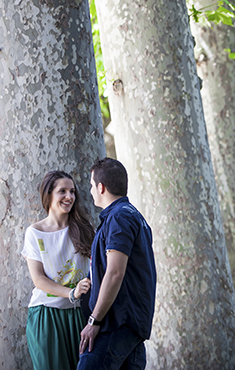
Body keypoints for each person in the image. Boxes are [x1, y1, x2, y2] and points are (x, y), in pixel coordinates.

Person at [78, 157, 157, 370]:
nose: (91, 190)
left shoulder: (119, 217)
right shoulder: (132, 215)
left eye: (92, 185)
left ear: (101, 187)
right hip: (128, 325)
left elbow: (115, 272)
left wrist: (94, 321)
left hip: (115, 324)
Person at [22, 170, 94, 370]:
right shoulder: (35, 233)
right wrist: (71, 293)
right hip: (46, 316)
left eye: (72, 191)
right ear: (48, 194)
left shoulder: (86, 228)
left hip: (80, 315)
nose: (69, 197)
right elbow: (38, 279)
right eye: (62, 191)